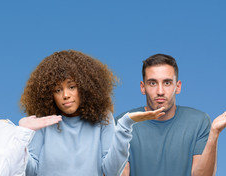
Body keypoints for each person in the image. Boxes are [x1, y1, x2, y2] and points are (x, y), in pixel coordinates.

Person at [20, 50, 165, 176]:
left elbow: (111, 172)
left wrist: (125, 125)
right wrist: (21, 138)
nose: (65, 95)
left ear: (84, 86)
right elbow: (31, 172)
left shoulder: (102, 117)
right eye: (58, 90)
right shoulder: (42, 120)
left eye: (72, 87)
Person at [116, 53, 226, 176]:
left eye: (167, 83)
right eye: (153, 83)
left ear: (177, 86)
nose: (160, 91)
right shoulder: (124, 123)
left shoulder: (199, 121)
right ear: (143, 87)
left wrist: (214, 134)